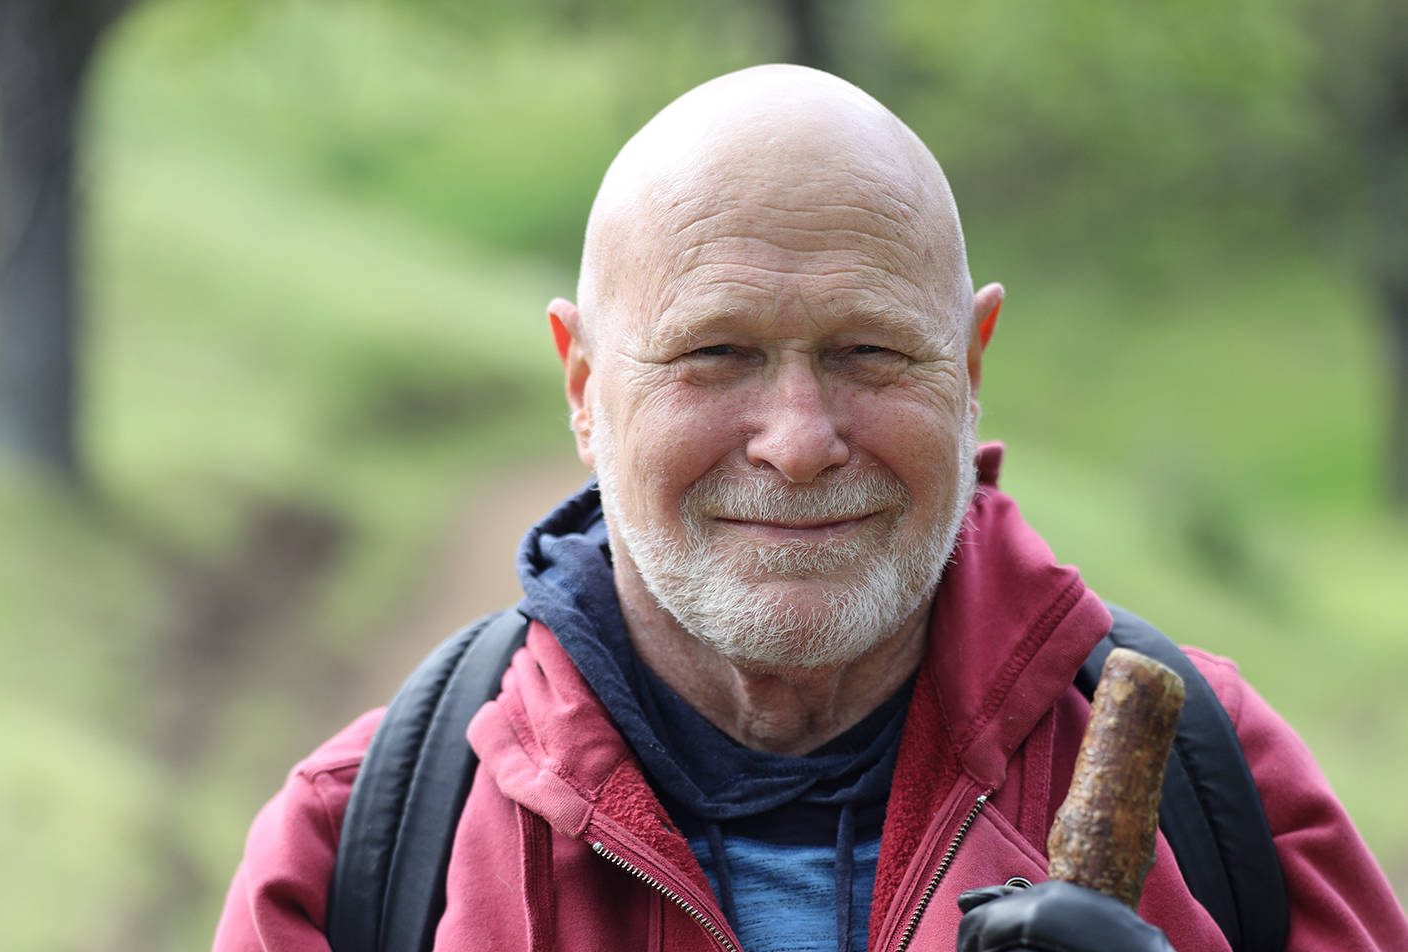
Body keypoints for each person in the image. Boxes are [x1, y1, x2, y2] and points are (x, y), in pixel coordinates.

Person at [213, 65, 1408, 952]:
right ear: (584, 386)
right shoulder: (360, 846)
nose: (797, 442)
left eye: (872, 352)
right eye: (717, 352)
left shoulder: (1210, 779)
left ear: (973, 362)